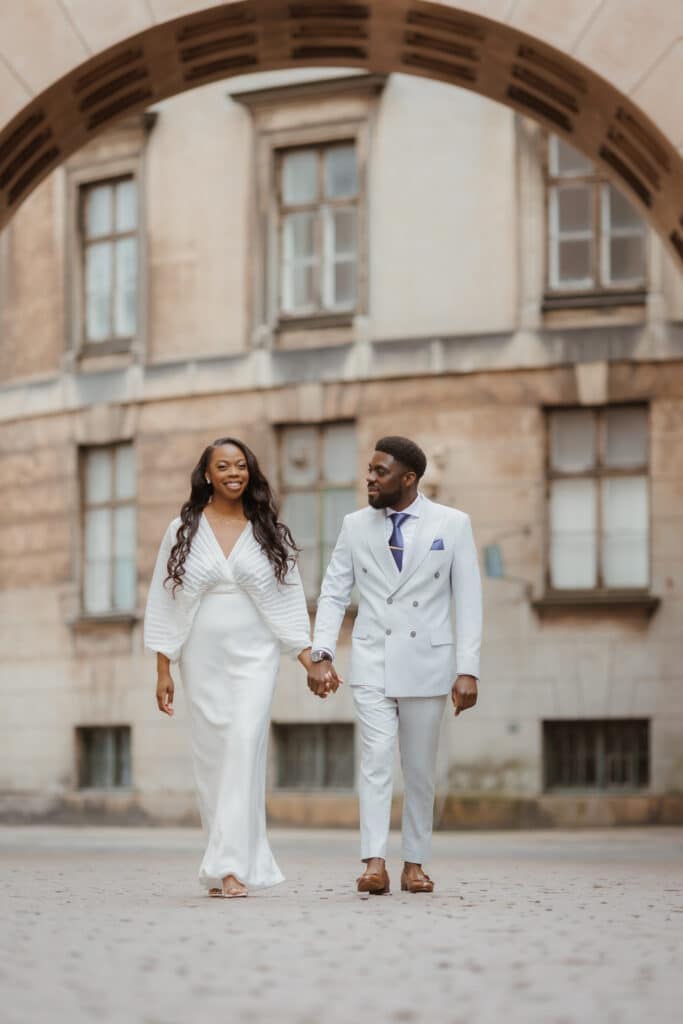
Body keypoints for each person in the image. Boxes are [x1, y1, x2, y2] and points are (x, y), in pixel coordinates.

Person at [308, 436, 482, 895]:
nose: (369, 477)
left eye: (379, 471)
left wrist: (469, 669)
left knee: (420, 769)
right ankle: (374, 862)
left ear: (408, 479)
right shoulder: (354, 526)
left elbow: (469, 600)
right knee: (375, 760)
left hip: (428, 662)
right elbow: (333, 591)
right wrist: (321, 651)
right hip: (372, 658)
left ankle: (415, 864)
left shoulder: (454, 524)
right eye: (369, 469)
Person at [144, 437, 311, 898]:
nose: (233, 472)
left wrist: (308, 657)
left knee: (243, 745)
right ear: (208, 474)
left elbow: (288, 600)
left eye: (241, 465)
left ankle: (231, 867)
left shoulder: (267, 530)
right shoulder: (184, 528)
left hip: (256, 655)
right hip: (202, 655)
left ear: (250, 472)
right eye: (223, 466)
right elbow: (165, 597)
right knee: (214, 757)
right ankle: (223, 865)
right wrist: (164, 668)